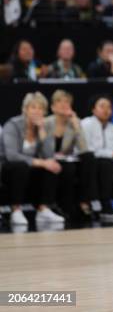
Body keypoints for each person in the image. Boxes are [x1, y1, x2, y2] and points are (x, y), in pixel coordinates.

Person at [0, 92, 64, 227]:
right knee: (21, 166)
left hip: (30, 167)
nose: (37, 111)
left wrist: (42, 131)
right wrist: (41, 162)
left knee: (52, 165)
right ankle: (15, 210)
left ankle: (43, 209)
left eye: (40, 108)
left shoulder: (44, 126)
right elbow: (11, 155)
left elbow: (49, 155)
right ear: (25, 109)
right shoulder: (13, 125)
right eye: (33, 107)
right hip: (8, 167)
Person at [45, 90, 95, 220]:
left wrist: (76, 125)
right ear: (52, 107)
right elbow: (42, 149)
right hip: (47, 159)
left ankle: (83, 201)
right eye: (59, 101)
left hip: (65, 160)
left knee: (88, 157)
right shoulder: (46, 123)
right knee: (68, 169)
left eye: (67, 101)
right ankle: (62, 207)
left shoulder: (74, 122)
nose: (63, 104)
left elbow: (84, 148)